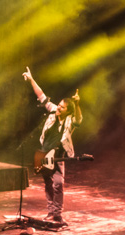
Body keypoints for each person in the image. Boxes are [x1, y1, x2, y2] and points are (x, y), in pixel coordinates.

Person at [23, 67, 82, 225]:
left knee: (58, 184)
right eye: (59, 106)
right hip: (43, 153)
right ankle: (51, 212)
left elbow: (78, 119)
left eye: (62, 108)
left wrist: (76, 105)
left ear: (67, 111)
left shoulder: (70, 120)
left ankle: (57, 213)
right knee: (48, 183)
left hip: (57, 156)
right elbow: (41, 96)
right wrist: (31, 79)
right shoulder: (53, 111)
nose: (59, 108)